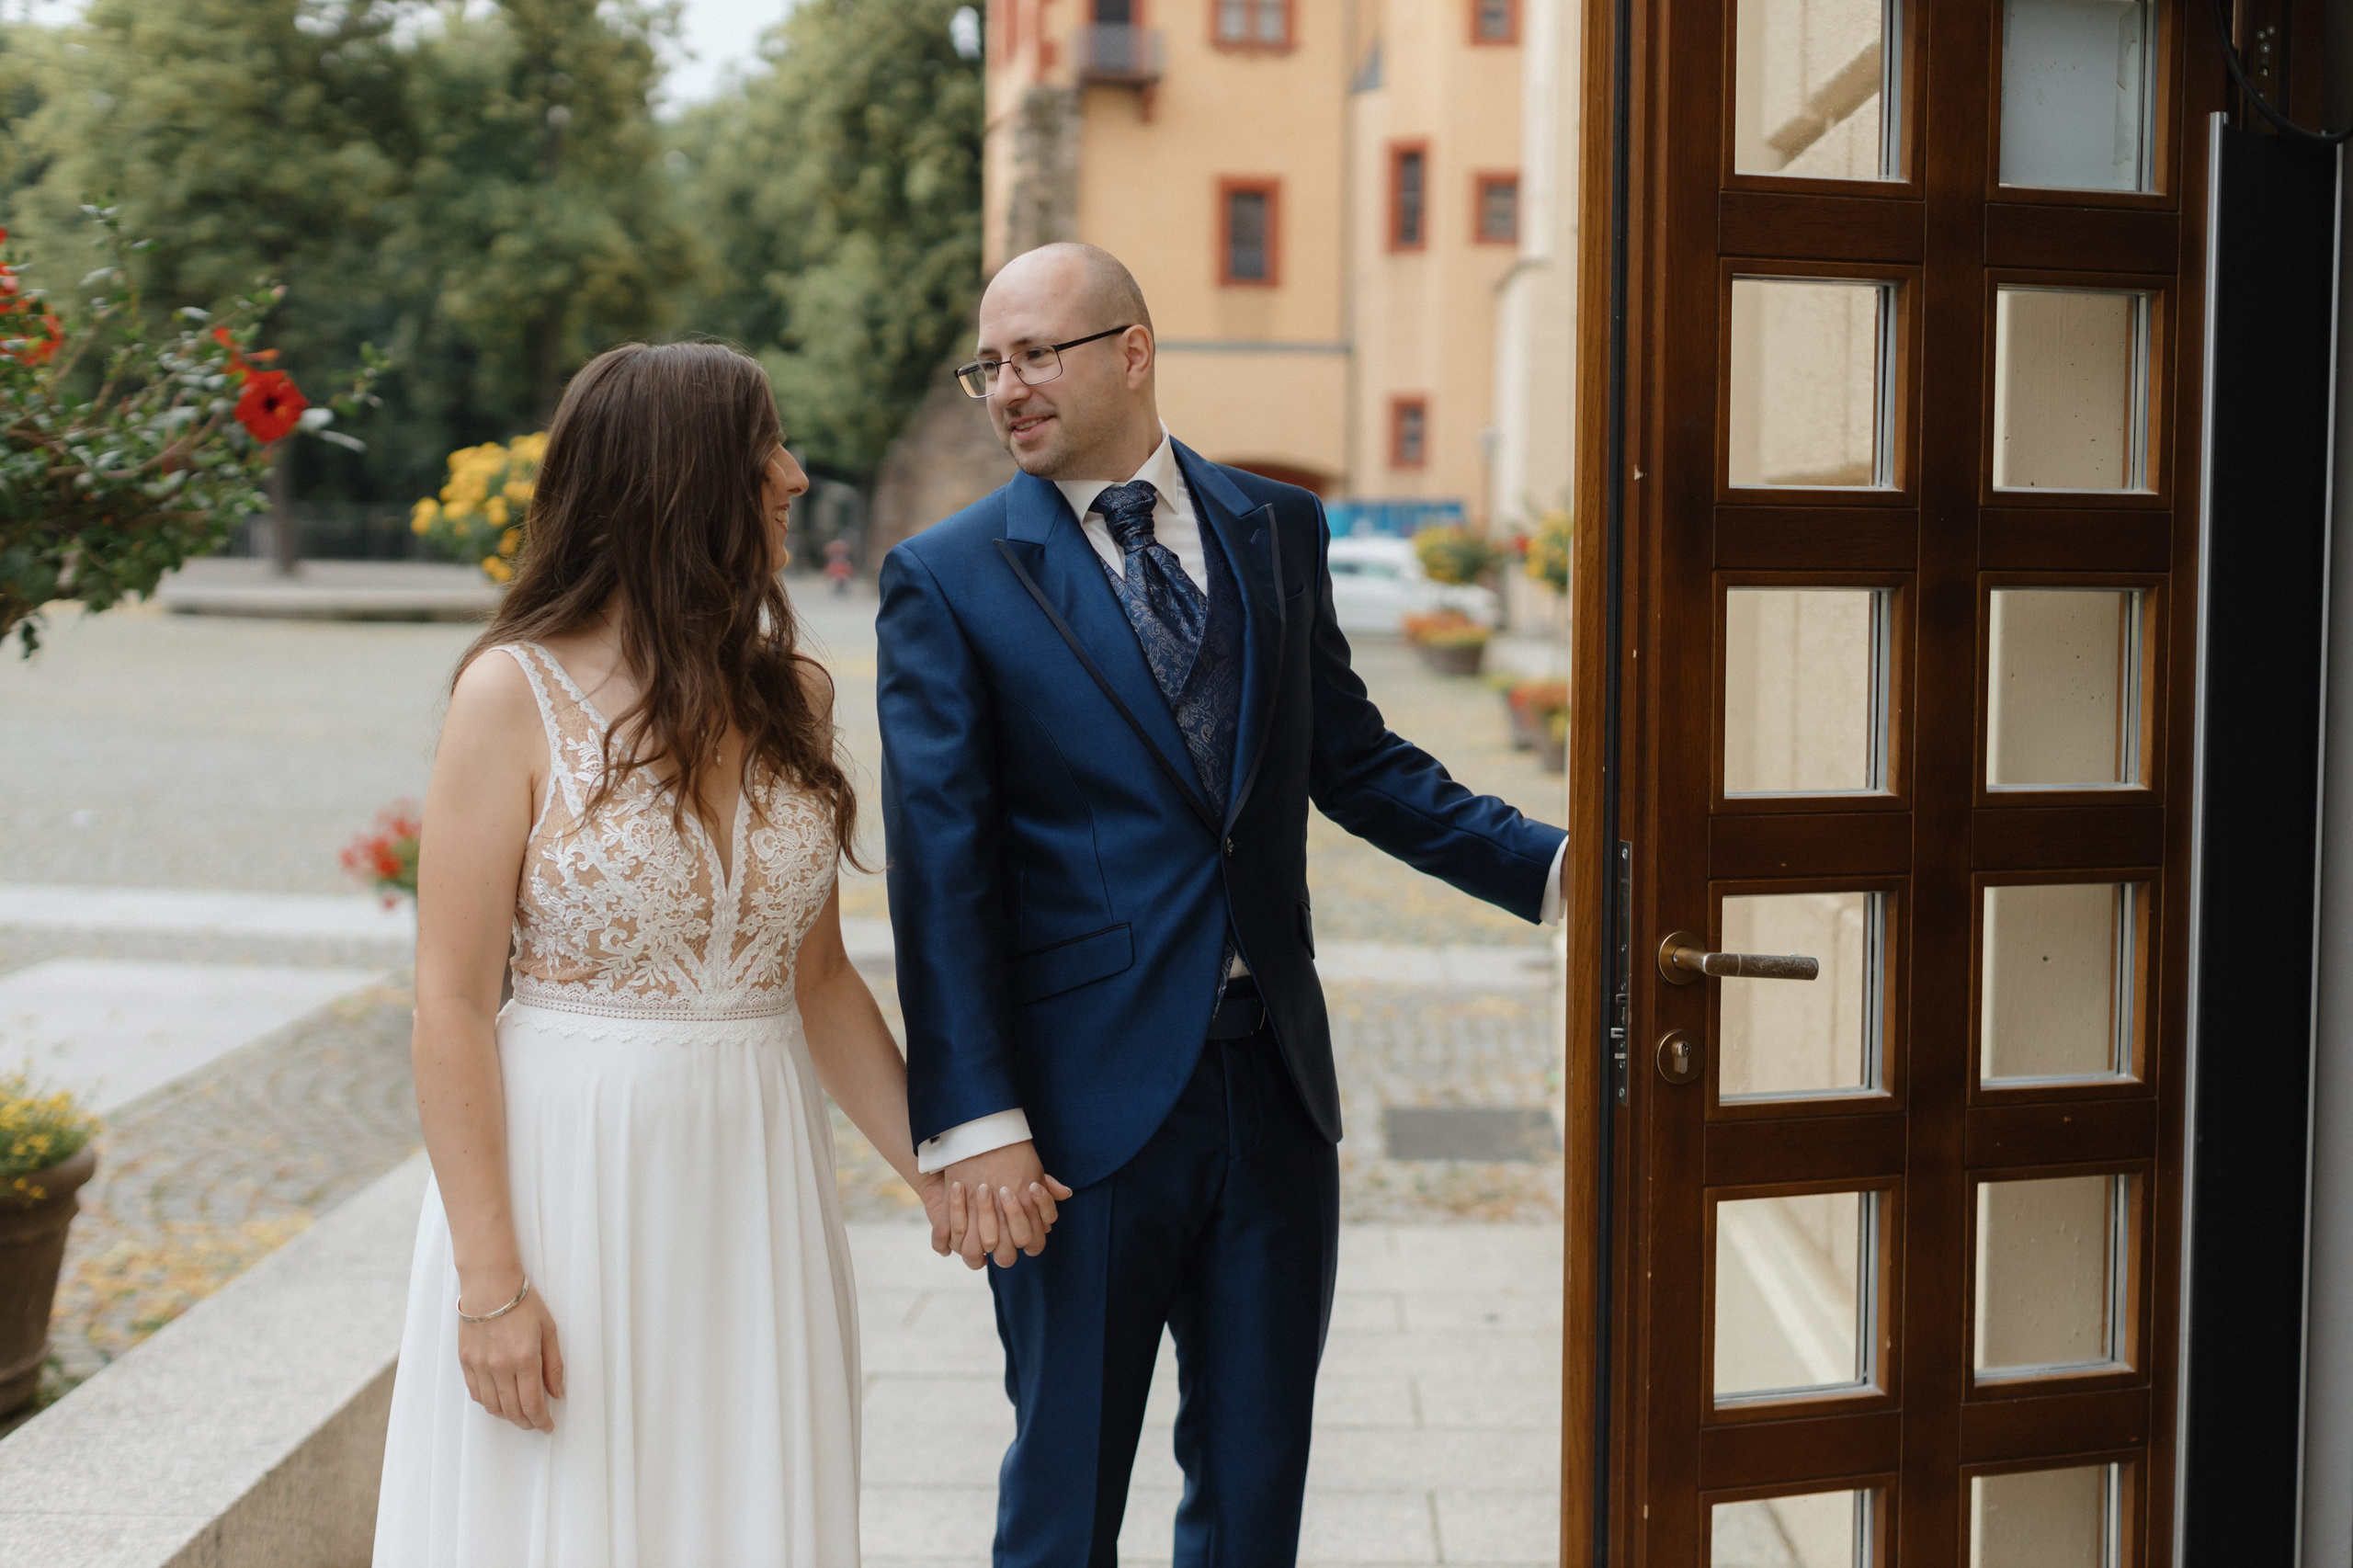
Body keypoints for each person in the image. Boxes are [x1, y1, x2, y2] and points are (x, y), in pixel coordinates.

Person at [877, 244, 1568, 1566]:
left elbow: (1356, 763)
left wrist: (1552, 867)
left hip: (1274, 1095)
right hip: (1078, 1125)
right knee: (1062, 1500)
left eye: (1036, 355)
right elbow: (941, 866)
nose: (1006, 387)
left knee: (1255, 1496)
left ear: (1131, 349)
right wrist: (975, 1122)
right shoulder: (949, 578)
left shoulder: (1274, 527)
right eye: (991, 365)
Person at [372, 341, 1070, 1565]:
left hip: (757, 1184)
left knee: (742, 1506)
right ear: (681, 481)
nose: (796, 476)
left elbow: (817, 982)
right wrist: (491, 1281)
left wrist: (942, 1171)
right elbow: (448, 1001)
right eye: (768, 453)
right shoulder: (508, 694)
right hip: (572, 1176)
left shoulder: (793, 692)